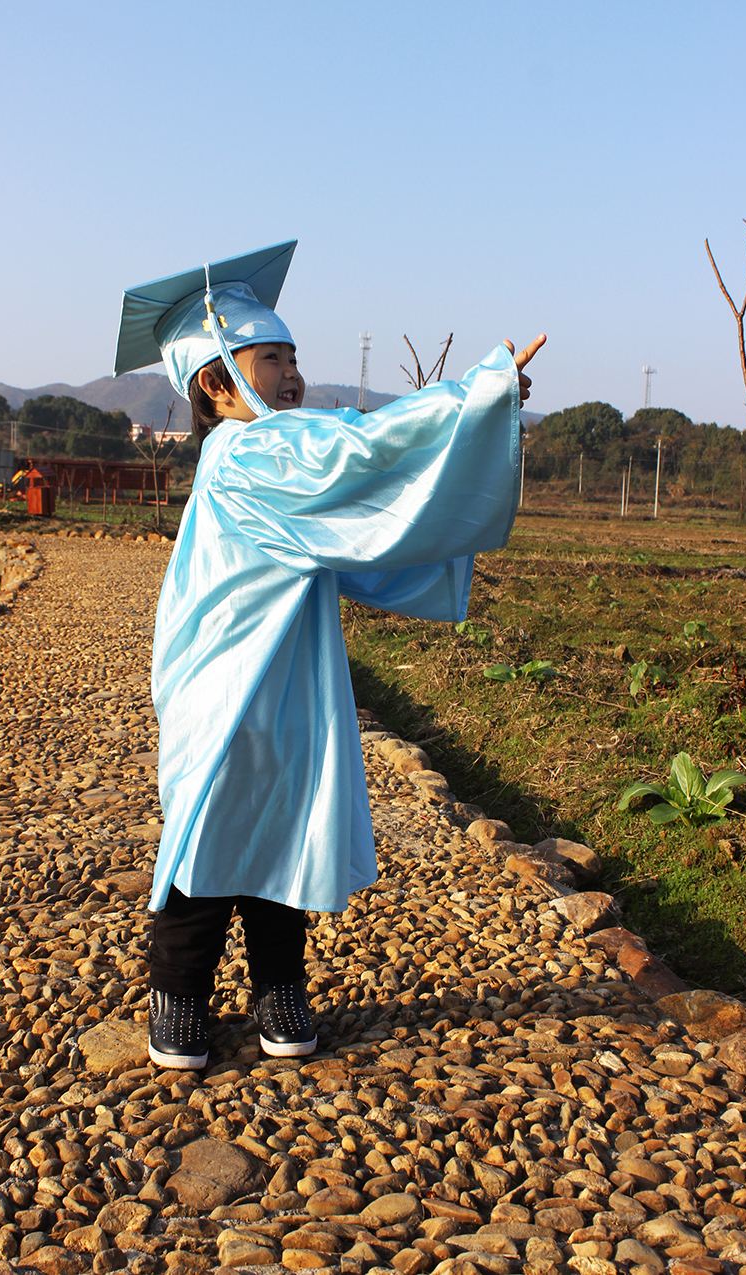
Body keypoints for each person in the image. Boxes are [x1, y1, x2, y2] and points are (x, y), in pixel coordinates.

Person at [114, 240, 545, 1069]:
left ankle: (280, 989)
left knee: (284, 836)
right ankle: (180, 994)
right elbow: (356, 453)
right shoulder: (249, 455)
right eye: (270, 358)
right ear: (216, 384)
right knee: (207, 842)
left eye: (293, 357)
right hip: (229, 688)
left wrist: (475, 413)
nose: (292, 373)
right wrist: (469, 402)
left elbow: (357, 518)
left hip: (286, 688)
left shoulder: (267, 453)